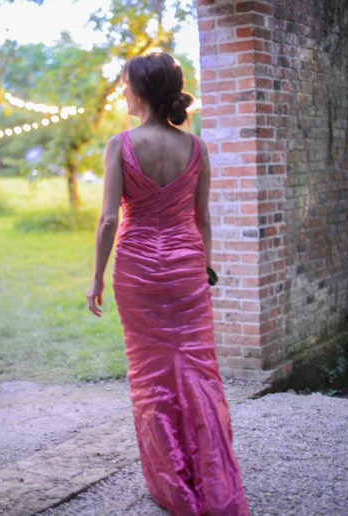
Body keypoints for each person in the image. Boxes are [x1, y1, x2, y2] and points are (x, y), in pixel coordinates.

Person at [87, 52, 249, 516]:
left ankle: (175, 486)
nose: (122, 93)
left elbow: (107, 220)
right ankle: (214, 479)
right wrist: (206, 268)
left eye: (125, 85)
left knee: (151, 377)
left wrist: (97, 276)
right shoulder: (197, 148)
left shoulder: (121, 144)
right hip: (185, 270)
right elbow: (203, 221)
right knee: (197, 370)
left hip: (137, 270)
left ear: (142, 91)